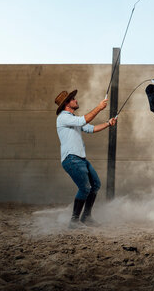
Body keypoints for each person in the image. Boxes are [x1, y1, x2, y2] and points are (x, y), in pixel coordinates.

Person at [54, 90, 117, 228]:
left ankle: (86, 217)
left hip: (80, 159)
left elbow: (90, 128)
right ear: (67, 103)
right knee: (85, 188)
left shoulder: (72, 118)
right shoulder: (63, 117)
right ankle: (74, 221)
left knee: (96, 184)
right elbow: (85, 120)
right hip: (72, 159)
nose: (76, 100)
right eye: (73, 99)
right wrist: (99, 108)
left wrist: (107, 123)